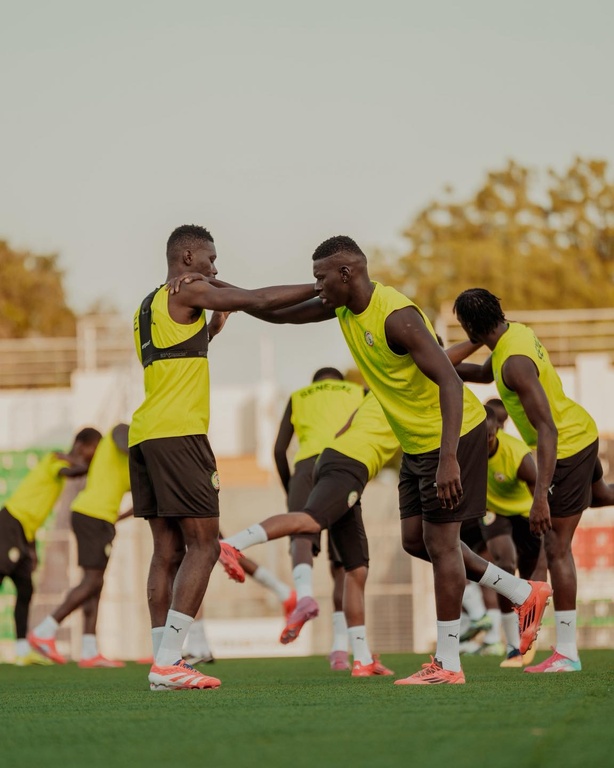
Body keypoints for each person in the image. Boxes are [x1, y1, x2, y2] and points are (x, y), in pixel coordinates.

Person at [210, 235, 552, 685]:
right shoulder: (343, 307)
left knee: (443, 545)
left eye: (321, 278)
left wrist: (449, 457)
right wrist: (223, 294)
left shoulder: (397, 317)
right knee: (416, 541)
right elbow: (277, 311)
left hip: (452, 438)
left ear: (346, 273)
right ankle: (521, 591)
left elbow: (451, 382)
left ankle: (448, 663)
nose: (317, 286)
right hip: (416, 444)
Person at [129, 224, 319, 691]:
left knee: (167, 552)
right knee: (205, 546)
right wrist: (321, 286)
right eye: (210, 259)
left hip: (146, 435)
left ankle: (163, 663)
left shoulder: (148, 305)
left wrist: (211, 329)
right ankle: (169, 662)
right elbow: (258, 300)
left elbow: (176, 358)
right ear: (187, 257)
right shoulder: (191, 290)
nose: (215, 267)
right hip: (180, 435)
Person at [452, 287, 613, 673]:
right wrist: (434, 361)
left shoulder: (515, 365)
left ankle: (567, 653)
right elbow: (479, 373)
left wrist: (540, 497)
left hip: (566, 449)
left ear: (471, 326)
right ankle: (565, 651)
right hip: (581, 431)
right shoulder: (513, 336)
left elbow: (547, 430)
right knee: (603, 495)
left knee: (556, 548)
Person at [220, 390, 399, 676]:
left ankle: (363, 658)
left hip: (337, 461)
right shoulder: (397, 392)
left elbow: (344, 429)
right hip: (349, 466)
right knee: (311, 521)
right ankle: (231, 545)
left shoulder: (376, 391)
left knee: (357, 567)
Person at [274, 366, 365, 669]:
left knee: (301, 531)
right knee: (342, 561)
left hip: (306, 467)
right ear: (340, 382)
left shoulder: (299, 396)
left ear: (314, 383)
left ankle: (304, 596)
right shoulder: (358, 392)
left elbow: (279, 450)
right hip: (342, 465)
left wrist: (290, 486)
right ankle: (339, 649)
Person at [29, 424, 131, 667]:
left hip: (101, 519)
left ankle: (89, 650)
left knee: (95, 583)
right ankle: (44, 631)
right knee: (92, 581)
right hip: (92, 515)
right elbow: (122, 437)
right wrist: (146, 449)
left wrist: (118, 518)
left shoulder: (135, 467)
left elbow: (144, 500)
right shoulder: (119, 434)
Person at [0, 428, 101, 666]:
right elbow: (70, 472)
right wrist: (95, 466)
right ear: (80, 445)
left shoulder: (59, 463)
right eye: (93, 450)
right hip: (9, 524)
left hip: (25, 533)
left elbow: (35, 512)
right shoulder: (54, 458)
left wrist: (32, 548)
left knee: (25, 590)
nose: (93, 455)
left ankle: (22, 650)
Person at [480, 405, 546, 666]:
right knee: (504, 565)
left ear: (497, 429)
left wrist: (540, 517)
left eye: (488, 436)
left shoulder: (517, 454)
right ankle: (511, 646)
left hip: (525, 513)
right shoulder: (467, 451)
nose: (484, 441)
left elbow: (537, 488)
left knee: (529, 580)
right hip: (493, 511)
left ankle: (528, 637)